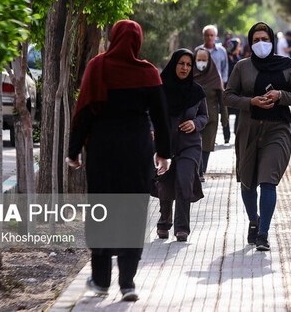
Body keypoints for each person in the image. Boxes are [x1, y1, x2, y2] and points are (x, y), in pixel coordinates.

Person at [67, 19, 171, 301]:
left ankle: (101, 281)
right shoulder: (148, 72)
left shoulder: (97, 67)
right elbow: (161, 118)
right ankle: (127, 283)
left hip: (103, 152)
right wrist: (163, 153)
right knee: (132, 214)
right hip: (137, 151)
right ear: (137, 41)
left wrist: (73, 151)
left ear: (113, 38)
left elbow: (84, 112)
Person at [223, 22, 291, 251]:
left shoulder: (287, 66)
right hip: (248, 129)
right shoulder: (242, 67)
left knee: (268, 181)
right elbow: (228, 96)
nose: (261, 43)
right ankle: (253, 220)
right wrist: (250, 102)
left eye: (265, 39)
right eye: (256, 40)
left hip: (277, 129)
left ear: (273, 41)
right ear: (250, 43)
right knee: (248, 183)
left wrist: (280, 95)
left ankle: (263, 233)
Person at [155, 49, 208, 243]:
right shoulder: (160, 88)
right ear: (174, 64)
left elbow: (205, 116)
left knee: (185, 181)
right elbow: (151, 113)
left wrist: (195, 123)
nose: (185, 68)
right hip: (165, 143)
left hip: (190, 144)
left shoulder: (197, 91)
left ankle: (182, 228)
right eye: (181, 64)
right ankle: (164, 221)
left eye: (188, 64)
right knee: (165, 182)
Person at [193, 48, 223, 182]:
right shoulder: (189, 75)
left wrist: (225, 121)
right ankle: (197, 172)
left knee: (206, 145)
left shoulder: (214, 76)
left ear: (209, 61)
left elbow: (223, 99)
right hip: (193, 117)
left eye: (203, 60)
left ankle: (201, 170)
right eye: (198, 60)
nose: (201, 63)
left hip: (211, 117)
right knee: (196, 144)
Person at [198, 24, 229, 141]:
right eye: (207, 35)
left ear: (215, 36)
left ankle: (226, 136)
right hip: (204, 87)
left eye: (212, 35)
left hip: (219, 85)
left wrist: (224, 82)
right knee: (207, 110)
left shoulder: (221, 51)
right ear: (204, 36)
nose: (209, 37)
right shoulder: (199, 50)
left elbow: (225, 67)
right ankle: (208, 137)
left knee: (223, 110)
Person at [223, 37, 242, 143]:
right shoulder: (225, 60)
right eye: (238, 46)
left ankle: (236, 133)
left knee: (238, 113)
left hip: (237, 92)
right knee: (225, 114)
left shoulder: (238, 60)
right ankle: (227, 136)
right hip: (226, 90)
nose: (239, 48)